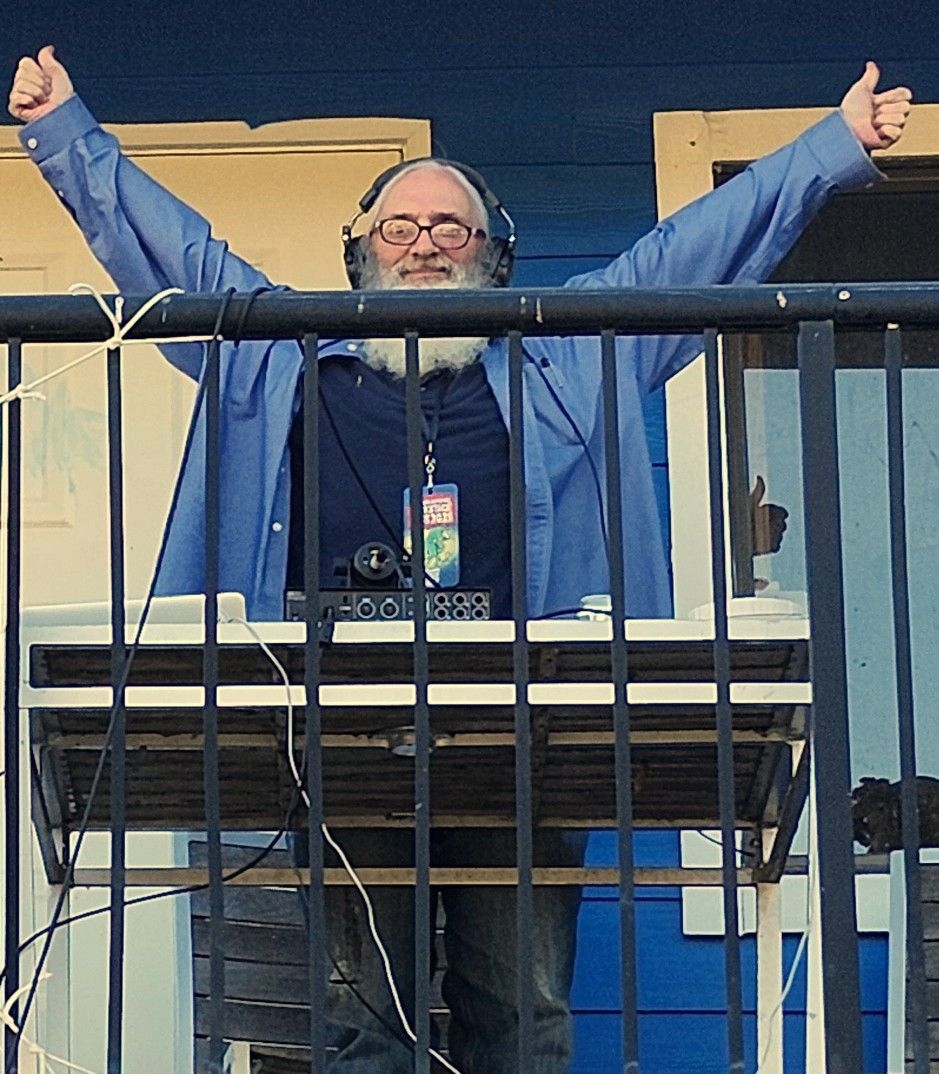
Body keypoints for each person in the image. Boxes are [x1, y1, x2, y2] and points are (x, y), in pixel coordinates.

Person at [8, 46, 912, 1074]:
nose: (424, 244)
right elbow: (170, 248)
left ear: (494, 255)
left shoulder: (570, 359)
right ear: (360, 252)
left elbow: (691, 251)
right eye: (400, 226)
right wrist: (65, 134)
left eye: (450, 227)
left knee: (520, 1023)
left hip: (530, 737)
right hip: (335, 733)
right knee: (365, 1031)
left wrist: (831, 145)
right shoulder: (275, 352)